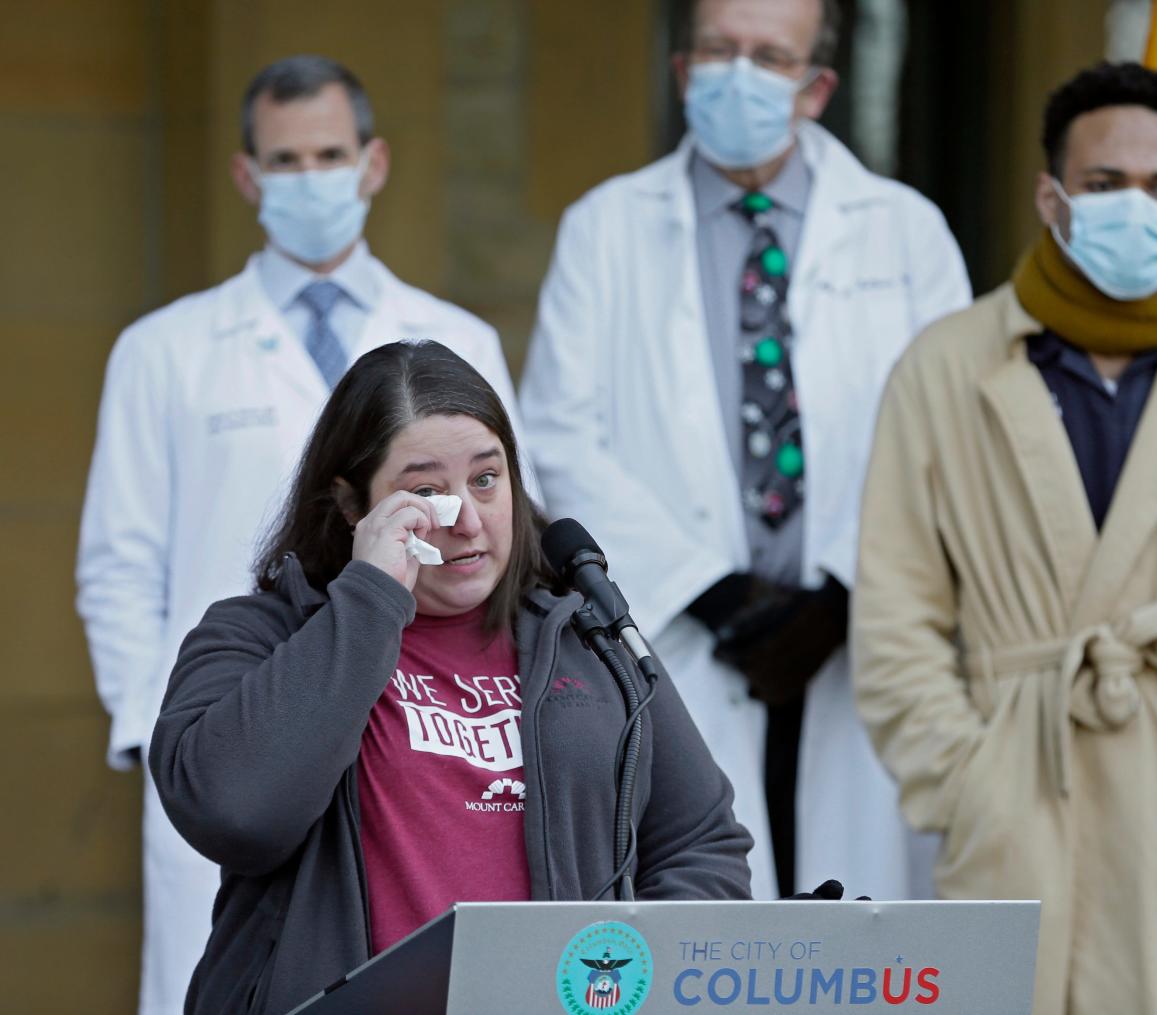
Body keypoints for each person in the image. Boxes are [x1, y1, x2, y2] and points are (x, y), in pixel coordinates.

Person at [75, 55, 525, 1015]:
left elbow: (499, 537)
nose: (310, 177)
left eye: (329, 153)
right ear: (246, 176)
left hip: (426, 730)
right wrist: (170, 731)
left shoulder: (456, 340)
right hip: (233, 733)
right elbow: (119, 562)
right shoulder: (165, 350)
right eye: (286, 160)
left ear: (373, 164)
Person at [148, 340, 753, 1015]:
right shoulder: (260, 636)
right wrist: (372, 594)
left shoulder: (588, 637)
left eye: (487, 479)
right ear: (353, 506)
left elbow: (702, 842)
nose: (467, 517)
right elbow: (235, 812)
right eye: (426, 491)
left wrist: (633, 985)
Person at [519, 0, 970, 900]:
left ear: (817, 88)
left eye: (770, 56)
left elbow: (952, 436)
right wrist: (713, 592)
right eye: (720, 51)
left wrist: (841, 597)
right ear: (684, 71)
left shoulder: (905, 231)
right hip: (685, 636)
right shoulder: (604, 229)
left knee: (867, 939)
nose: (739, 74)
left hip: (858, 641)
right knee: (710, 918)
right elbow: (560, 435)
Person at [853, 62, 1157, 1015]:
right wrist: (968, 781)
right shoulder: (946, 364)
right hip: (1019, 781)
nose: (1135, 211)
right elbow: (896, 611)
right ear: (1051, 194)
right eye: (1106, 185)